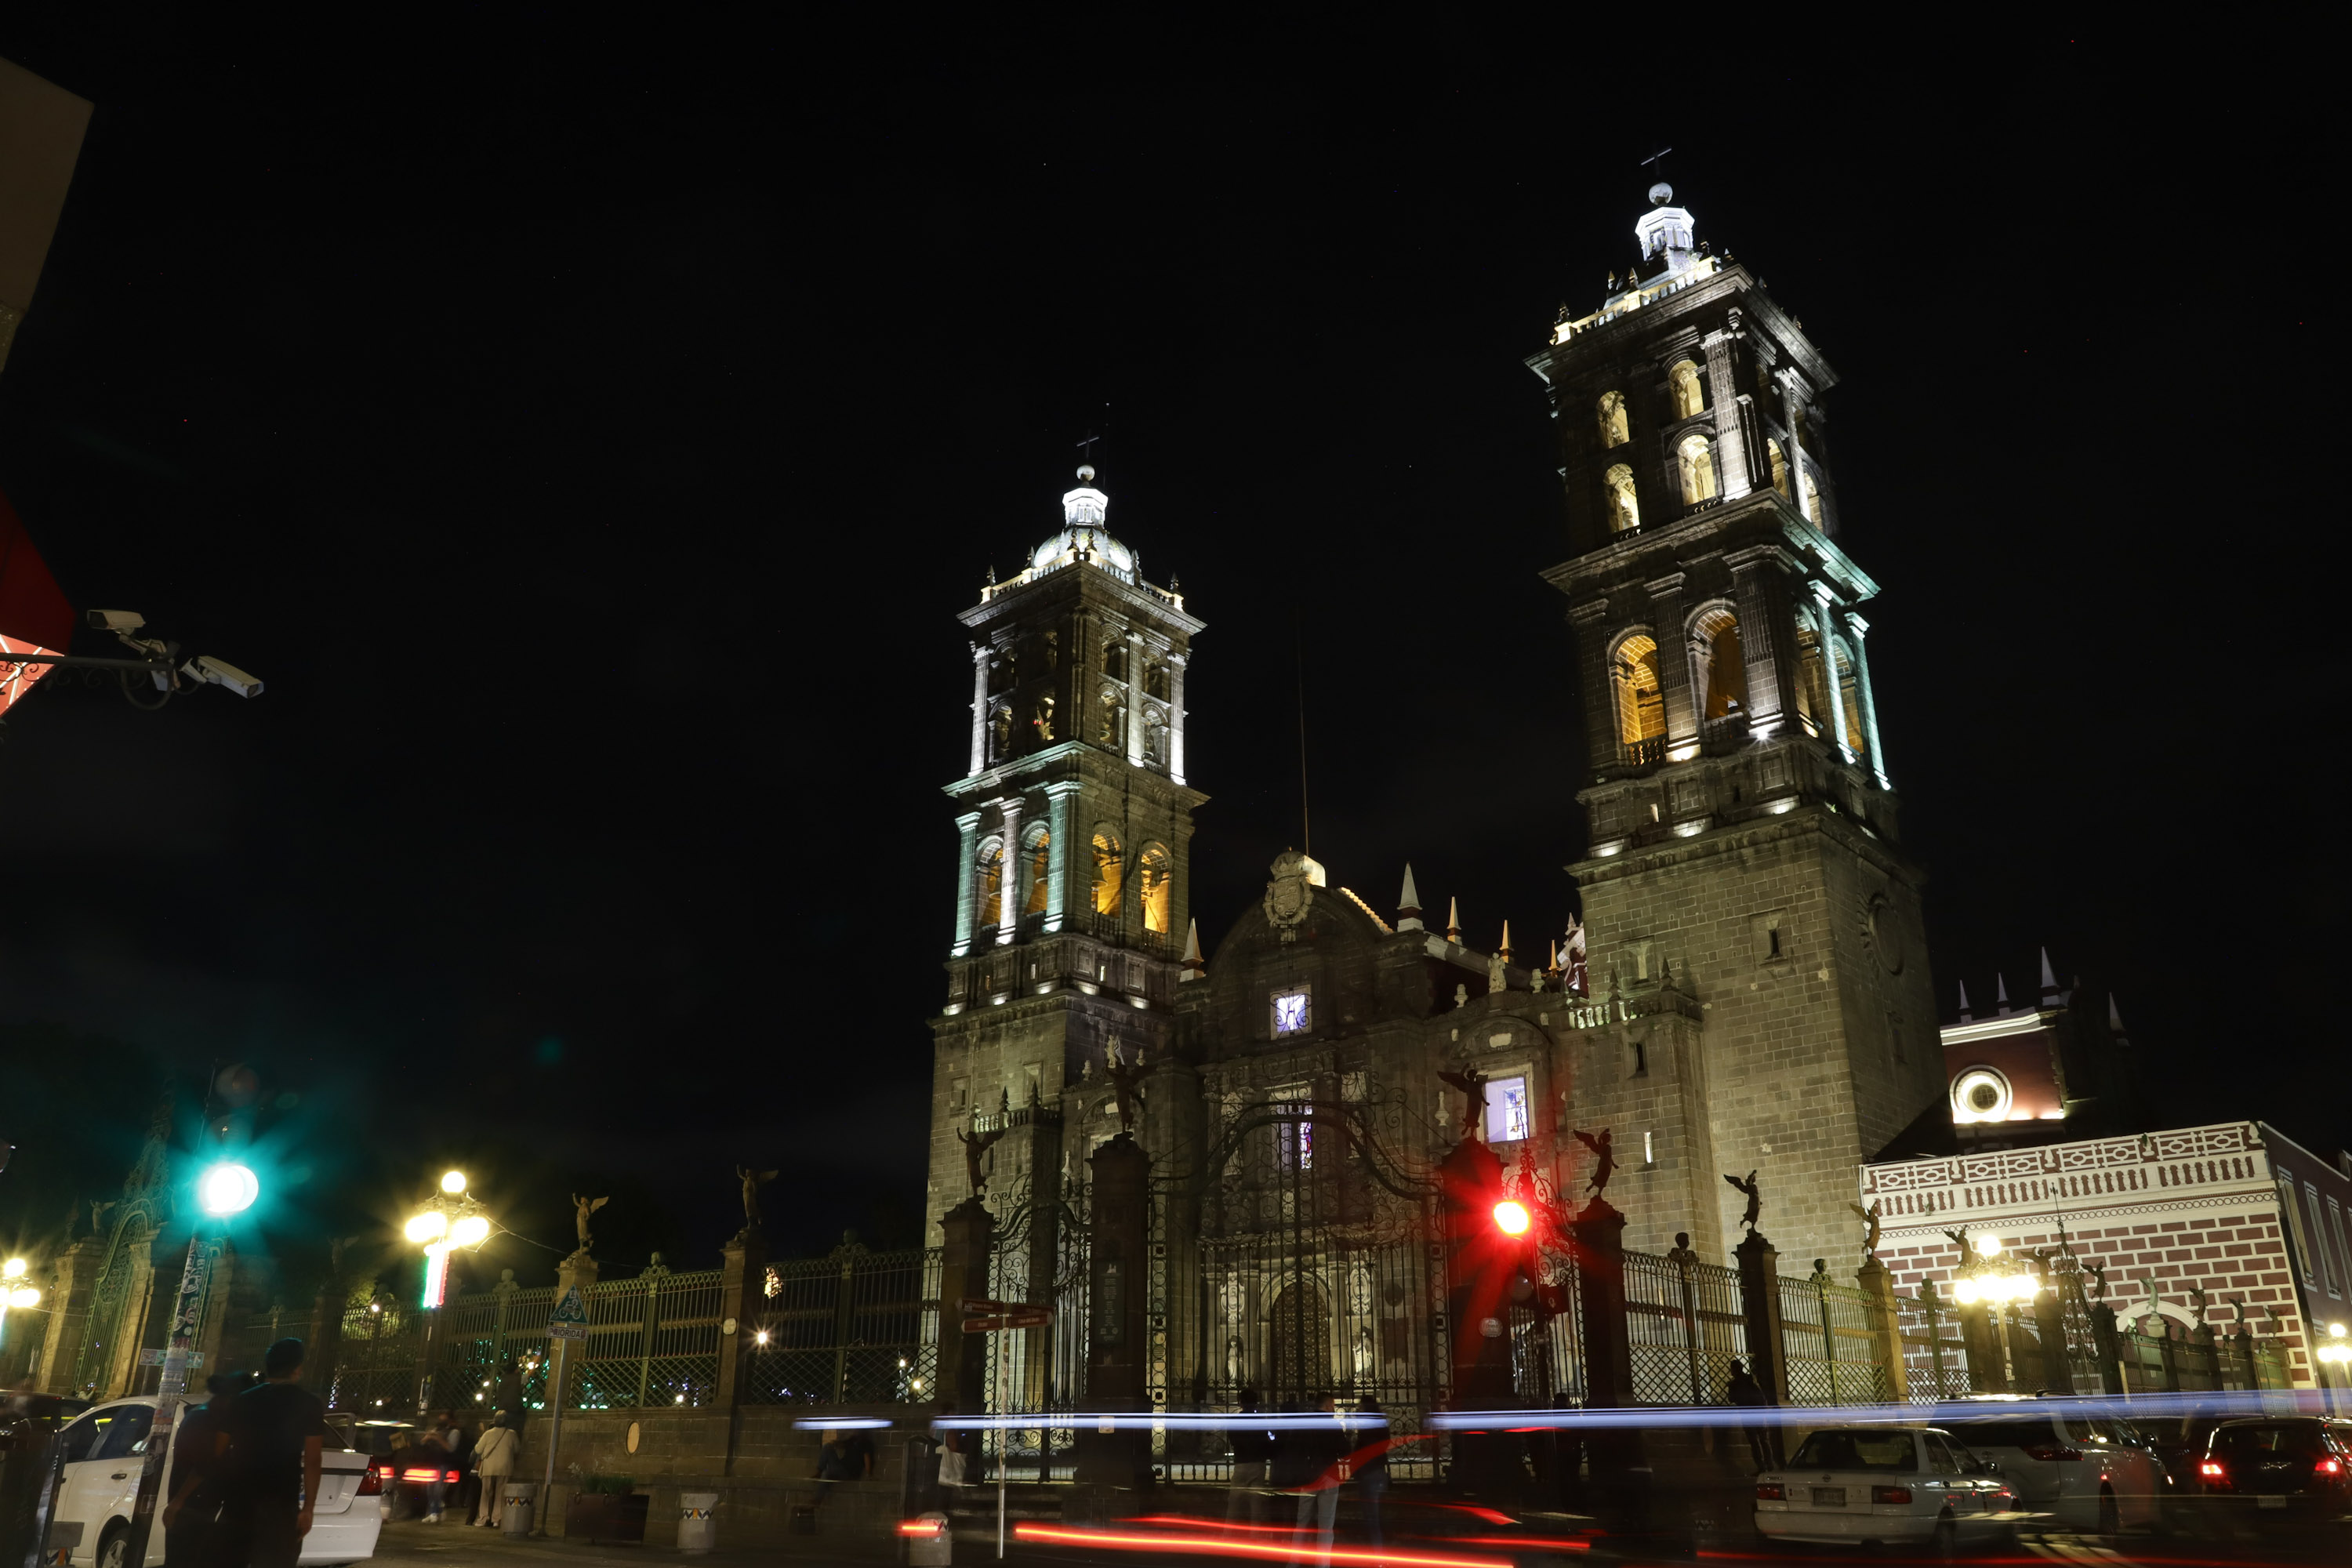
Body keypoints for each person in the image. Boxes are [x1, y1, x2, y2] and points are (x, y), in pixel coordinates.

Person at [215, 1338, 328, 1568]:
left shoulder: (241, 1401)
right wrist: (308, 1508)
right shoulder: (309, 1404)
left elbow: (219, 1450)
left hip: (238, 1505)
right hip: (281, 1509)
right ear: (297, 1369)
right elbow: (313, 1460)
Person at [162, 1372, 245, 1568]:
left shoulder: (201, 1415)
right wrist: (178, 1502)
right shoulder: (206, 1420)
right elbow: (204, 1465)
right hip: (194, 1506)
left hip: (197, 1506)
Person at [1225, 1388, 1274, 1526]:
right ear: (1256, 1403)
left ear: (1241, 1403)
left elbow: (1233, 1440)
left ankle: (1228, 1533)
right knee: (1256, 1503)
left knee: (1234, 1502)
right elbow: (1266, 1442)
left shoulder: (1235, 1421)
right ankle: (1255, 1534)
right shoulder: (1260, 1421)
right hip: (1258, 1463)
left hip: (1241, 1462)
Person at [1349, 1396, 1388, 1551]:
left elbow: (1363, 1451)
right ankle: (1376, 1550)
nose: (1358, 1410)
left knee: (1371, 1517)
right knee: (1373, 1516)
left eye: (1361, 1408)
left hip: (1369, 1474)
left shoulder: (1368, 1428)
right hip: (1377, 1472)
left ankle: (1377, 1552)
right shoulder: (1380, 1424)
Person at [1725, 1357, 1774, 1472]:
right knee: (1764, 1440)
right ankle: (1770, 1465)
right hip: (1758, 1413)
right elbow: (1760, 1394)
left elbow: (1731, 1399)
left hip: (1747, 1415)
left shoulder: (1734, 1384)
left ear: (1734, 1370)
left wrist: (1729, 1387)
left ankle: (1761, 1466)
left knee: (1754, 1442)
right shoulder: (1750, 1378)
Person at [470, 1412, 520, 1527]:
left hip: (489, 1467)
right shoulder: (512, 1434)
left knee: (486, 1493)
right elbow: (517, 1449)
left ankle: (484, 1518)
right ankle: (497, 1519)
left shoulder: (488, 1434)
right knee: (501, 1493)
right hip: (505, 1467)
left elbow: (478, 1450)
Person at [419, 1410, 462, 1523]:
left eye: (444, 1419)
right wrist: (428, 1437)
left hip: (444, 1463)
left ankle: (435, 1512)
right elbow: (422, 1442)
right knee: (429, 1489)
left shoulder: (454, 1432)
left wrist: (438, 1438)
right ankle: (436, 1511)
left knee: (438, 1489)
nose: (441, 1421)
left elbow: (450, 1448)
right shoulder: (436, 1430)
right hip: (432, 1462)